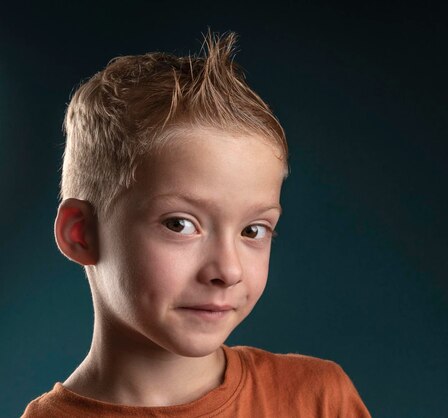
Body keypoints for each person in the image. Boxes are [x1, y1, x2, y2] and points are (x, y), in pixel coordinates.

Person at [21, 31, 370, 417]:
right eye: (180, 225)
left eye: (252, 231)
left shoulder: (316, 399)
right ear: (81, 233)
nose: (228, 270)